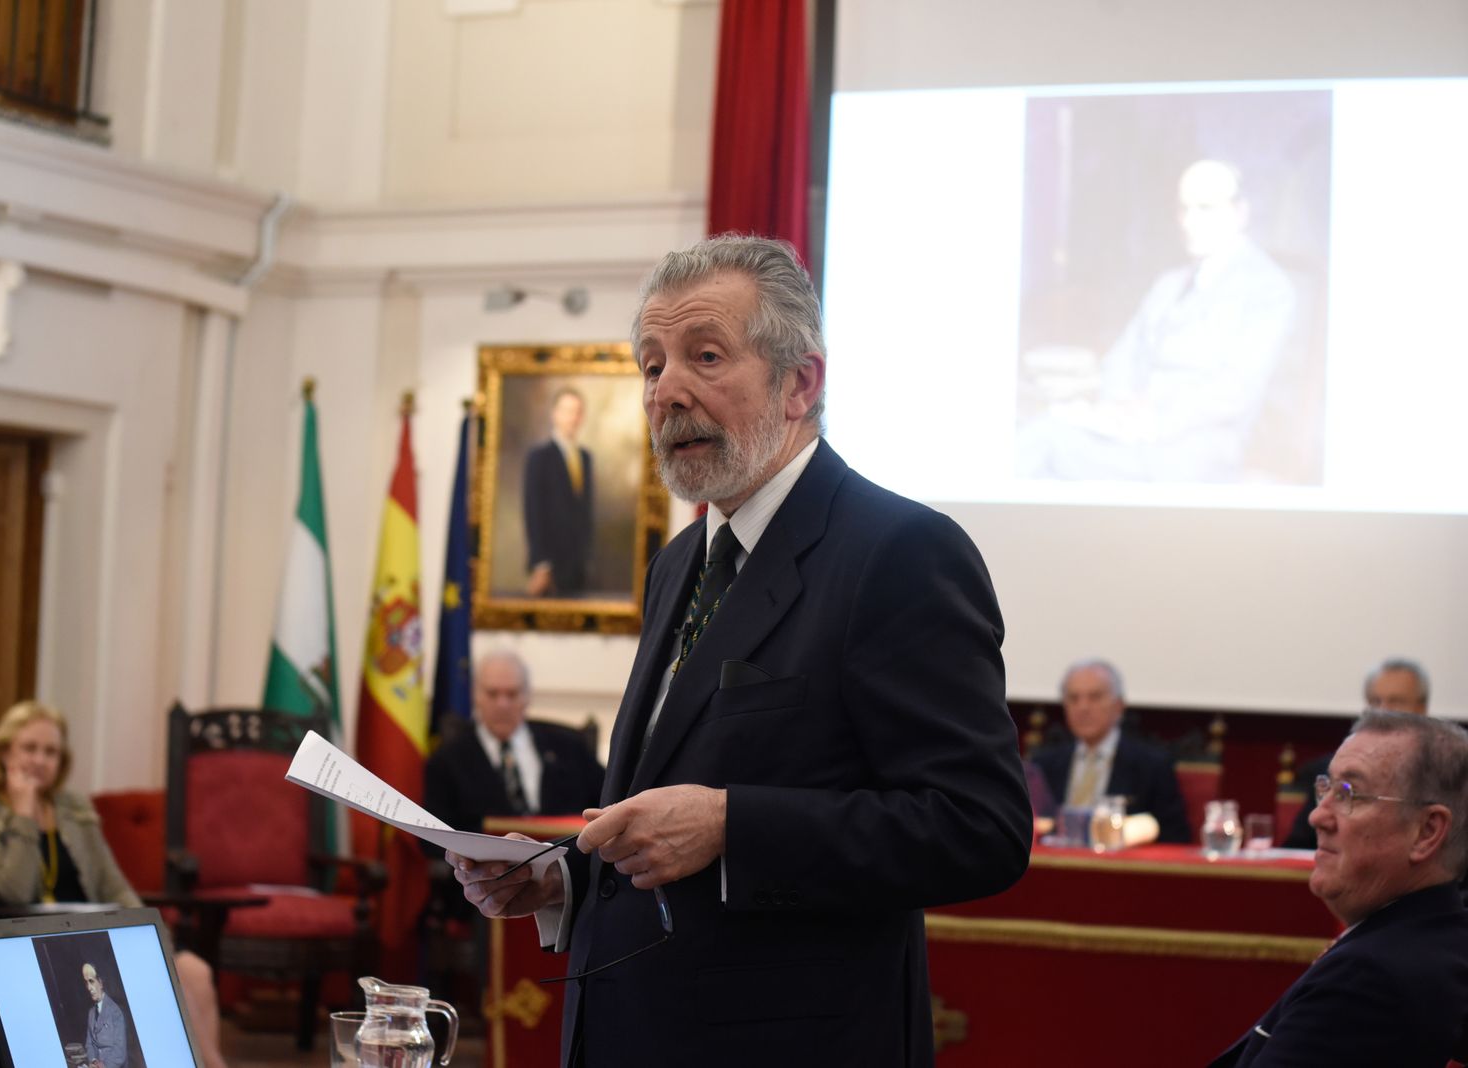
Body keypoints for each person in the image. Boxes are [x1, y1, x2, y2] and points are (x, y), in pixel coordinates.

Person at [448, 235, 1033, 1066]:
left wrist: (732, 824)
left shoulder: (898, 551)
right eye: (652, 366)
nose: (667, 391)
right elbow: (667, 803)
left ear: (801, 384)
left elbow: (980, 828)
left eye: (706, 356)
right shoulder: (678, 563)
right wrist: (565, 875)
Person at [0, 701, 228, 1068]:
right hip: (29, 944)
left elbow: (114, 887)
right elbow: (10, 890)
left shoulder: (75, 810)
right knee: (174, 978)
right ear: (4, 753)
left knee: (194, 968)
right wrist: (23, 814)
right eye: (29, 748)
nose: (40, 760)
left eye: (50, 752)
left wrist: (154, 938)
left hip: (91, 934)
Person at [1209, 711, 1468, 1066]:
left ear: (1427, 832)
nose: (1317, 816)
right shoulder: (1434, 937)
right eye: (1326, 788)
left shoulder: (1369, 979)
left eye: (1350, 794)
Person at [1017, 159, 1298, 483]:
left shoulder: (1267, 289)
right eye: (1184, 209)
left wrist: (1156, 418)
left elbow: (1234, 390)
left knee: (1046, 444)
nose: (1189, 222)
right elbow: (1123, 355)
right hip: (1131, 433)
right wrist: (1119, 403)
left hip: (1195, 448)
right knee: (1040, 436)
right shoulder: (1169, 284)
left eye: (1205, 209)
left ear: (1240, 213)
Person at [424, 649, 604, 833]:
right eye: (492, 694)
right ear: (475, 695)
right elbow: (434, 835)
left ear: (527, 696)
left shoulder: (569, 747)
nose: (502, 704)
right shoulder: (447, 760)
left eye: (512, 694)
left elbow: (607, 802)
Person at [1032, 659, 1192, 843]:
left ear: (1119, 705)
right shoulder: (1043, 765)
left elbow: (1174, 837)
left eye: (1095, 697)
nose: (1083, 707)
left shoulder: (1151, 766)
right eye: (1074, 698)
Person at [1281, 657, 1430, 849]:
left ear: (1421, 708)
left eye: (1396, 702)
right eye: (1375, 701)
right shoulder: (1331, 770)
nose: (1382, 711)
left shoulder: (1445, 772)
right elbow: (1297, 848)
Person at [523, 386, 595, 596]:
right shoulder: (539, 457)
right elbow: (533, 511)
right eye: (567, 411)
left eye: (577, 412)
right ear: (554, 414)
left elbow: (584, 511)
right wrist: (541, 563)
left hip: (578, 566)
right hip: (550, 568)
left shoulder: (585, 457)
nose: (572, 417)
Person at [81, 962, 128, 1068]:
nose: (89, 988)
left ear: (101, 982)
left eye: (91, 981)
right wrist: (93, 1061)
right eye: (86, 983)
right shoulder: (91, 1013)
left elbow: (120, 1053)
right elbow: (89, 1043)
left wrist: (102, 1066)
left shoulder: (115, 1012)